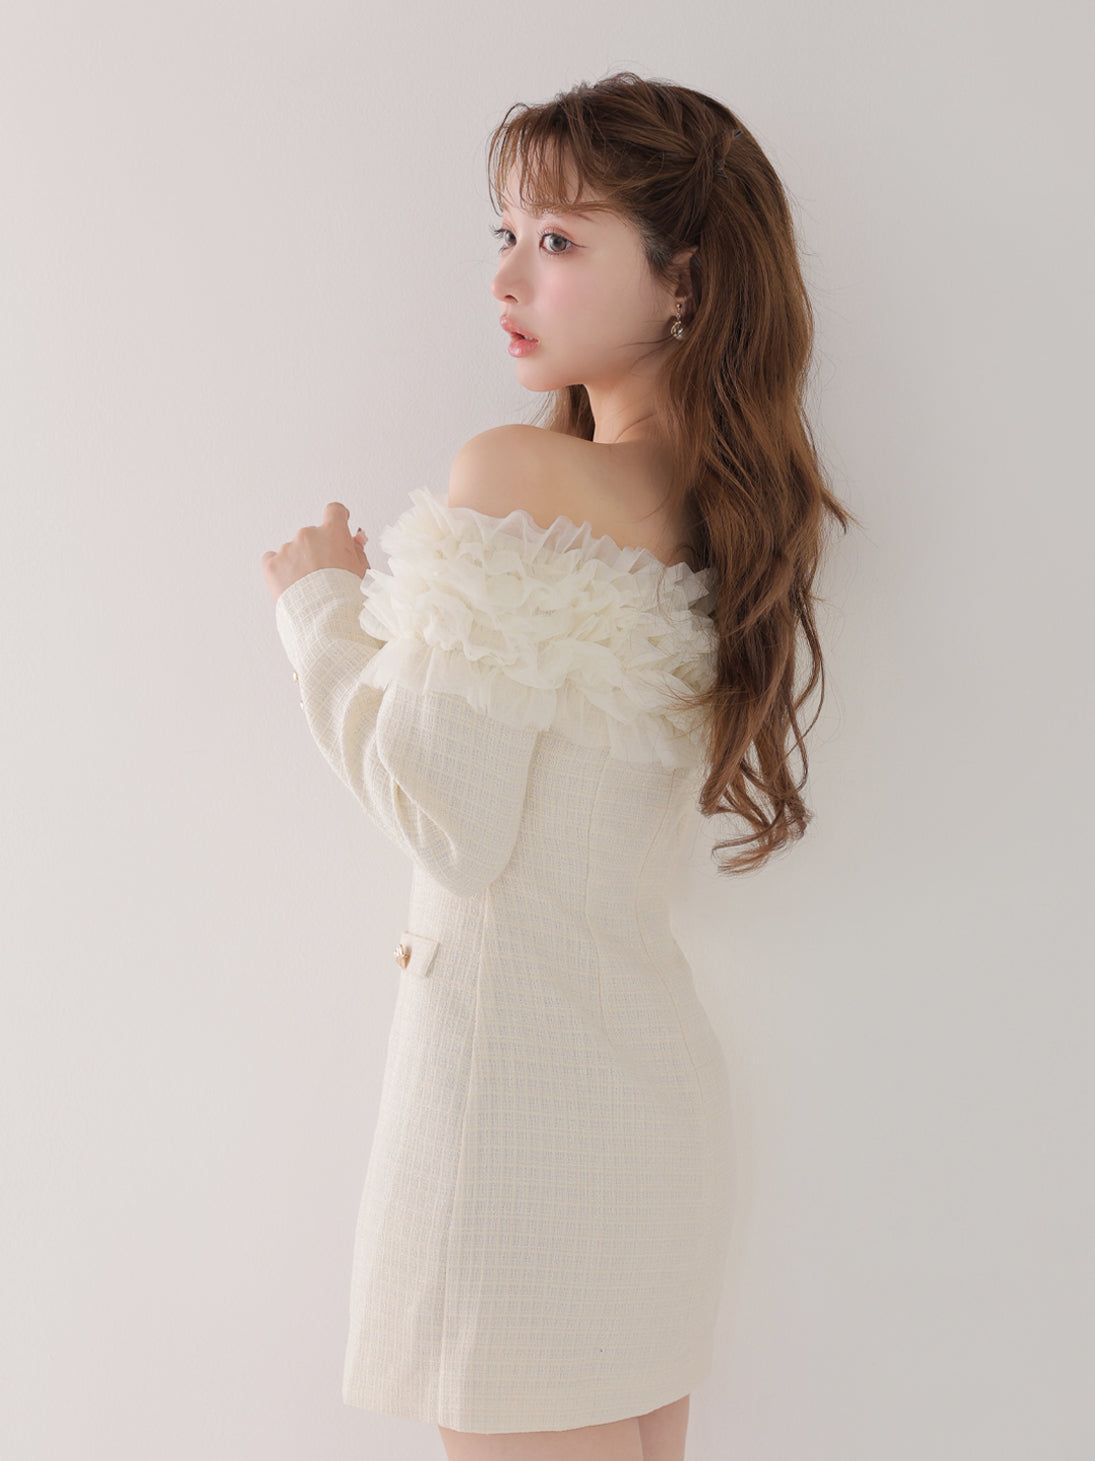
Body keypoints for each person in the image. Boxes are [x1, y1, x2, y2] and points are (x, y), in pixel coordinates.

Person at [261, 72, 854, 1461]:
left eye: (560, 240)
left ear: (684, 281)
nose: (508, 278)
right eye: (508, 235)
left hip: (513, 1114)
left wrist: (321, 611)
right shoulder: (718, 509)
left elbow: (444, 816)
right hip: (642, 1100)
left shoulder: (520, 483)